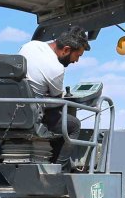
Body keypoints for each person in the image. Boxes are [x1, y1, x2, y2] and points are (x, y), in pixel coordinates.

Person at [18, 26, 90, 165]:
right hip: (32, 115)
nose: (76, 61)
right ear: (66, 50)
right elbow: (55, 104)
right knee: (73, 125)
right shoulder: (56, 68)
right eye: (78, 55)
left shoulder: (30, 46)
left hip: (10, 110)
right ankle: (58, 167)